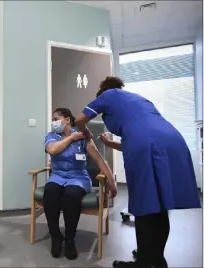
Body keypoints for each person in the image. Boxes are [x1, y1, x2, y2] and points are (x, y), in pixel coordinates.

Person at [74, 76, 202, 268]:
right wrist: (109, 143)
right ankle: (156, 258)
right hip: (173, 142)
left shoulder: (106, 95)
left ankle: (142, 262)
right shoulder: (140, 100)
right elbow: (141, 137)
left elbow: (79, 120)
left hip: (145, 145)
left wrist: (86, 132)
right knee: (160, 205)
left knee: (144, 205)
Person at [44, 108, 116, 260]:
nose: (53, 122)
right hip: (57, 176)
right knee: (50, 192)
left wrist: (112, 182)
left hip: (78, 177)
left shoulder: (84, 137)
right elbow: (52, 149)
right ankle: (56, 236)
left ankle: (69, 239)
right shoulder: (52, 136)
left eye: (56, 118)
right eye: (52, 119)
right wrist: (71, 138)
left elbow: (99, 160)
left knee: (72, 194)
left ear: (67, 120)